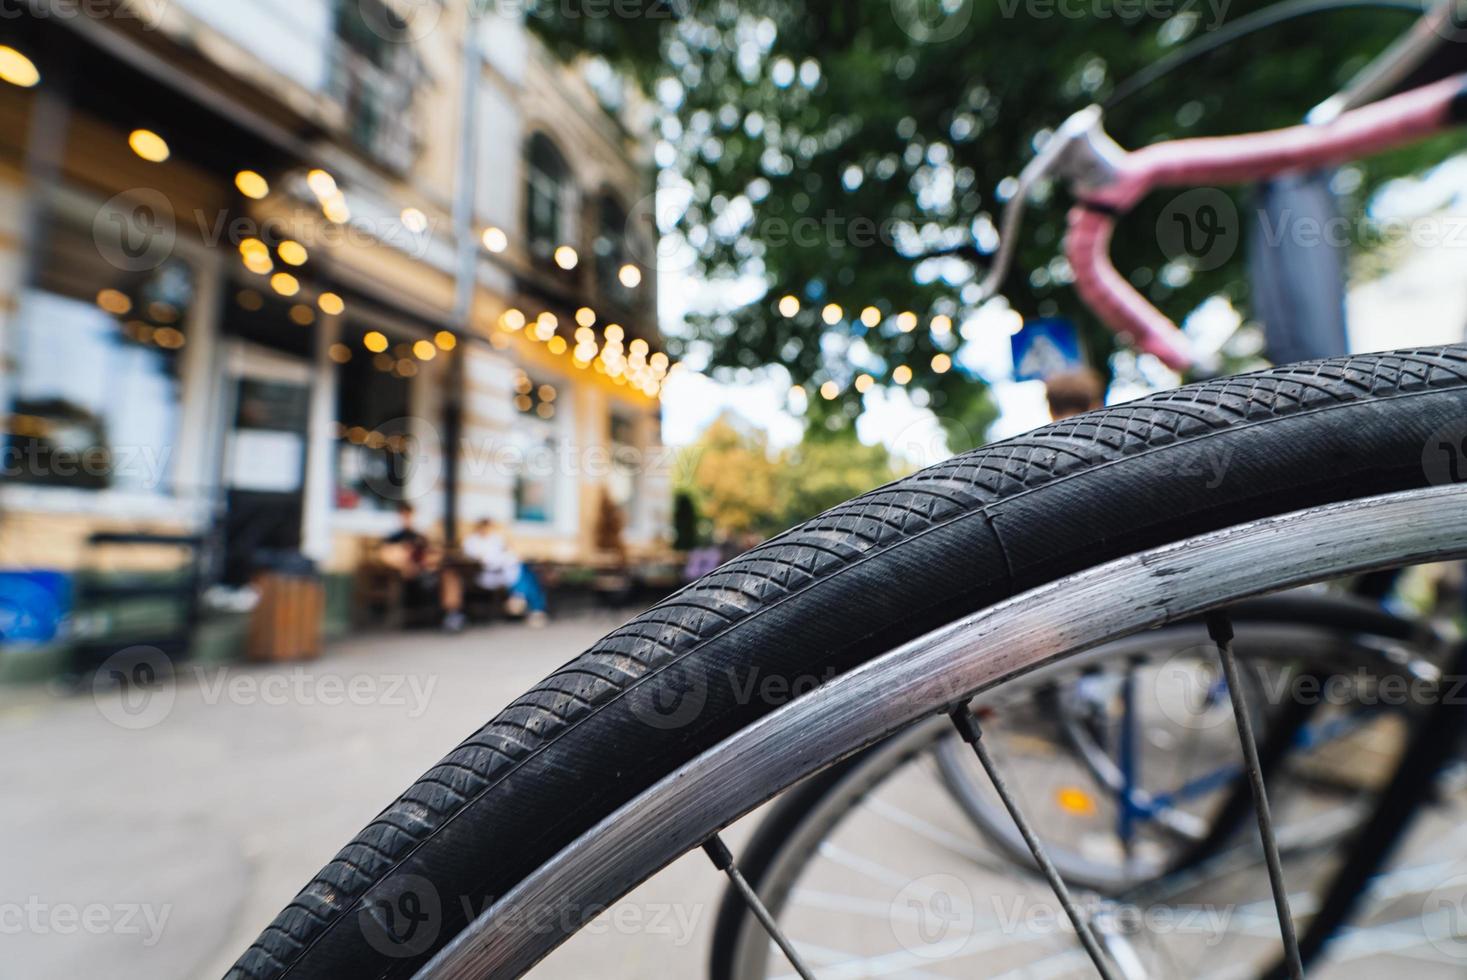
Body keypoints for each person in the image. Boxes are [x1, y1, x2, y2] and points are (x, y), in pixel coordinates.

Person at [379, 504, 465, 632]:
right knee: (444, 577)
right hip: (409, 576)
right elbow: (386, 556)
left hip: (427, 573)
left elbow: (432, 554)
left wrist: (432, 560)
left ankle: (452, 615)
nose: (407, 519)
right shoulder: (393, 538)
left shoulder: (419, 536)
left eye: (409, 516)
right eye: (404, 516)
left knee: (450, 575)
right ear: (399, 517)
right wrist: (405, 564)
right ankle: (449, 616)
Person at [461, 518, 548, 627]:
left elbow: (506, 552)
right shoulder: (472, 541)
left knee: (528, 573)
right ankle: (532, 606)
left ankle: (522, 601)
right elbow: (479, 559)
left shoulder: (495, 538)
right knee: (526, 575)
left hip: (504, 571)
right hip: (487, 575)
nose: (486, 529)